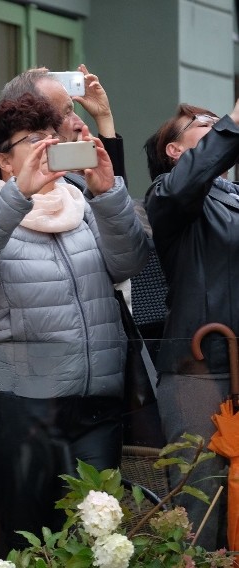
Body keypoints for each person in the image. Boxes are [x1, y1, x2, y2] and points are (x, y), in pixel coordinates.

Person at [0, 93, 148, 552]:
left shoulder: (83, 206)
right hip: (23, 407)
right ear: (2, 159)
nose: (47, 147)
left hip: (97, 401)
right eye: (32, 140)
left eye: (51, 138)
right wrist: (19, 193)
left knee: (99, 534)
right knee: (31, 537)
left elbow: (129, 262)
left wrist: (108, 191)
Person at [143, 100, 239, 550]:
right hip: (198, 372)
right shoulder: (168, 194)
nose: (216, 125)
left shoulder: (234, 199)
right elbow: (187, 187)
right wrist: (233, 125)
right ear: (176, 151)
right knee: (201, 503)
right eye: (205, 125)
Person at [0, 65, 126, 190]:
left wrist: (104, 117)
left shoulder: (75, 184)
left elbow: (117, 214)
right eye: (65, 114)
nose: (81, 124)